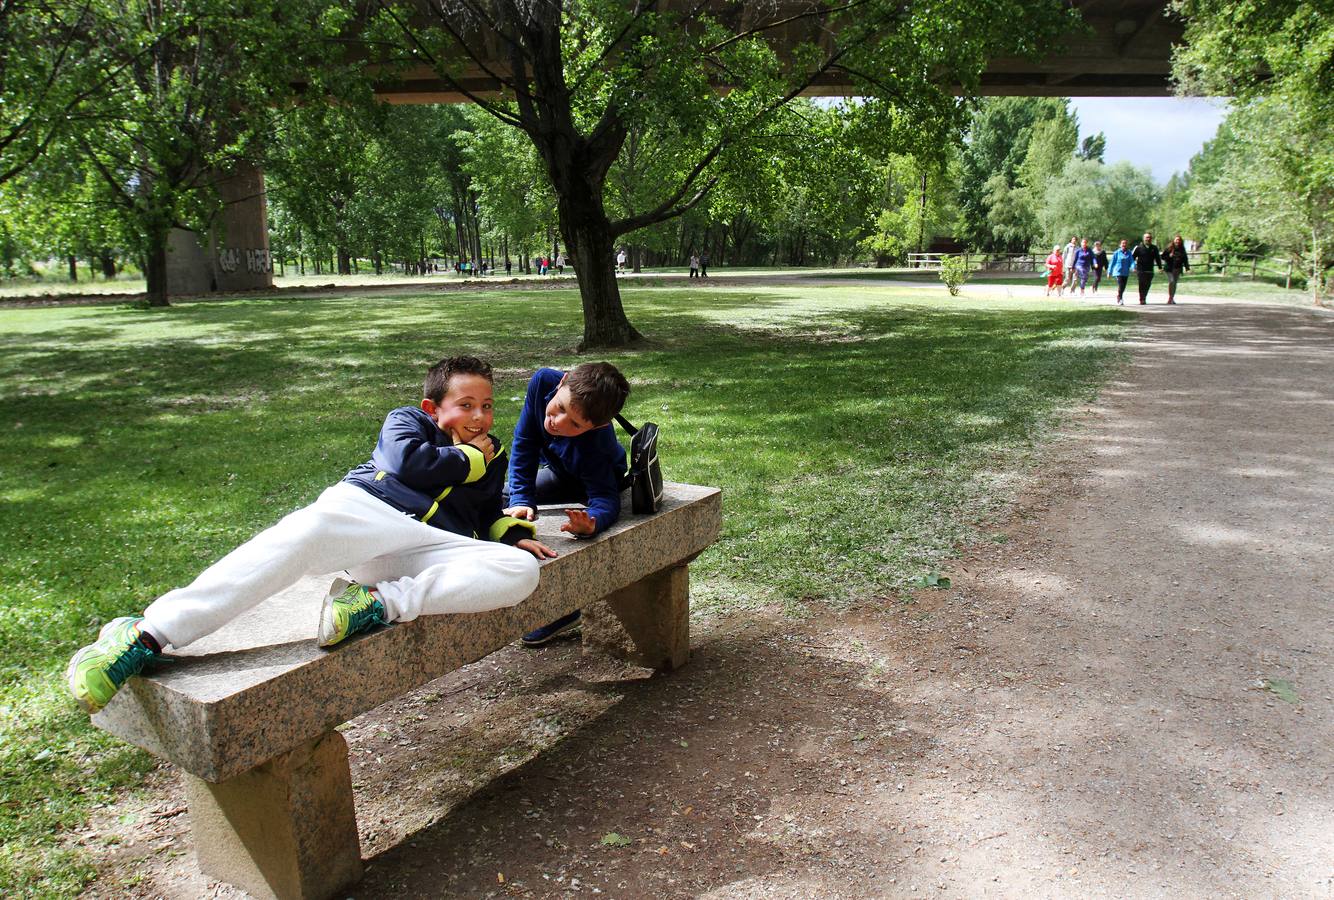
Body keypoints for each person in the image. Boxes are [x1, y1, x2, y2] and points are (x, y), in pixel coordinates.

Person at [66, 357, 556, 714]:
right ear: (433, 407)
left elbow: (488, 509)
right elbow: (409, 464)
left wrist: (511, 534)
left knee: (520, 572)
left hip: (420, 547)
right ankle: (148, 633)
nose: (479, 417)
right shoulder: (406, 421)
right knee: (303, 533)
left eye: (487, 406)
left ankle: (374, 604)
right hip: (366, 511)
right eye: (465, 405)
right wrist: (470, 459)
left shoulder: (491, 456)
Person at [503, 364, 631, 646]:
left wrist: (592, 522)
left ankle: (564, 608)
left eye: (574, 424)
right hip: (559, 470)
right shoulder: (542, 382)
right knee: (500, 498)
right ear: (562, 382)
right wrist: (521, 498)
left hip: (588, 482)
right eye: (559, 407)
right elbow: (525, 442)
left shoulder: (597, 444)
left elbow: (605, 498)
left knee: (575, 544)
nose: (558, 422)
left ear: (598, 426)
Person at [1131, 232, 1163, 304]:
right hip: (1141, 270)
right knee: (1141, 284)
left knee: (1148, 284)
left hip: (1150, 269)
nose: (1148, 239)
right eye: (1146, 237)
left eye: (1149, 238)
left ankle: (1144, 296)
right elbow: (1132, 258)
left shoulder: (1154, 248)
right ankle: (1142, 299)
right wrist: (1133, 267)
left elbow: (1157, 258)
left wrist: (1160, 267)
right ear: (1143, 239)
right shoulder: (1138, 248)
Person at [1162, 234, 1190, 304]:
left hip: (1177, 269)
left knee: (1174, 283)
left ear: (1181, 241)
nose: (1178, 241)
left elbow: (1185, 259)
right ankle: (1170, 298)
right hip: (1169, 269)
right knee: (1171, 281)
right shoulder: (1169, 248)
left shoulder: (1182, 250)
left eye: (1179, 240)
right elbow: (1162, 256)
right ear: (1174, 240)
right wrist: (1169, 256)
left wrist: (1187, 268)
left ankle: (1171, 298)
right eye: (1176, 239)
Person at [1109, 239, 1134, 305]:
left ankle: (1119, 295)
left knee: (1123, 286)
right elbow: (1112, 263)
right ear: (1120, 245)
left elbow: (1131, 261)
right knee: (1121, 285)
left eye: (1125, 243)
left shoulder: (1129, 253)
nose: (1124, 245)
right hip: (1118, 272)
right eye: (1123, 243)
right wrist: (1109, 272)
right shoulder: (1116, 253)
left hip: (1125, 272)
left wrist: (1133, 267)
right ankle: (1120, 298)